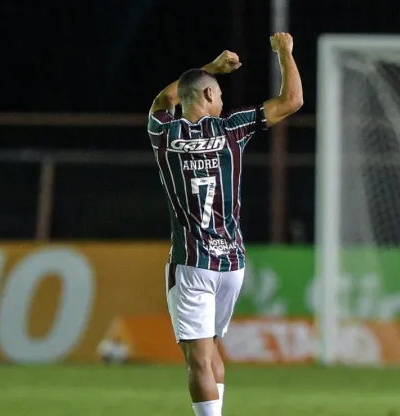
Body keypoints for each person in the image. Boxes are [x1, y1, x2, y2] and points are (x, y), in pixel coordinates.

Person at [146, 33, 302, 416]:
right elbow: (293, 100)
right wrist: (285, 52)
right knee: (211, 351)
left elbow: (163, 100)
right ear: (211, 97)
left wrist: (210, 69)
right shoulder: (231, 129)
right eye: (219, 94)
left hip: (192, 264)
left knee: (198, 359)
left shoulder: (163, 134)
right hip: (232, 262)